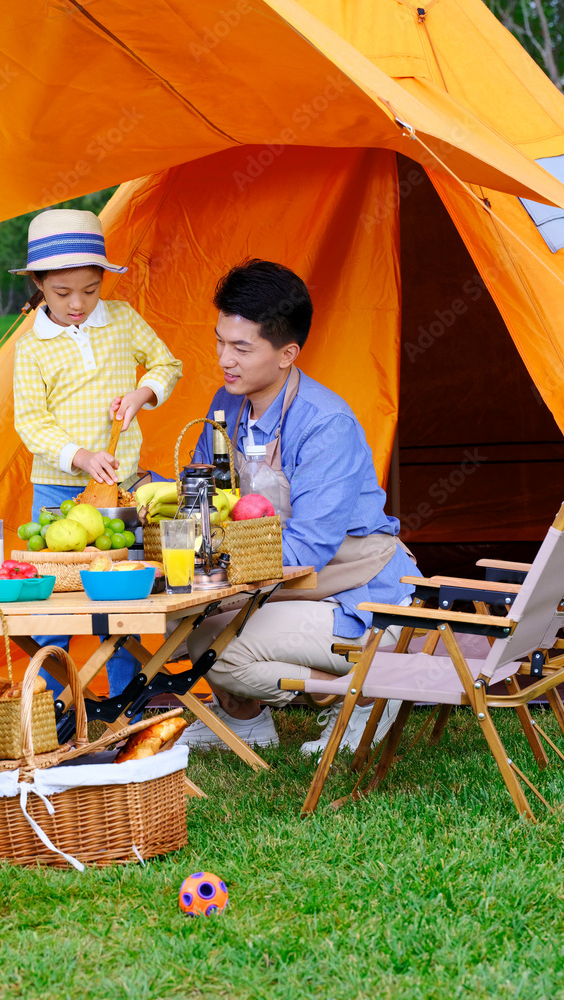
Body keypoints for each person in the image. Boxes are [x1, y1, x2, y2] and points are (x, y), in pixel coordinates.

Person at [177, 259, 420, 756]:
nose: (225, 358)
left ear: (287, 353)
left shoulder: (326, 422)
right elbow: (198, 498)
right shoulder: (225, 408)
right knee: (168, 626)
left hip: (353, 590)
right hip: (275, 580)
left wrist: (220, 581)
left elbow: (309, 545)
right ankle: (245, 720)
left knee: (210, 649)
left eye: (241, 348)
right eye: (221, 340)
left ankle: (365, 691)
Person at [10, 209, 183, 698]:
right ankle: (49, 705)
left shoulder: (123, 320)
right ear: (39, 284)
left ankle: (125, 703)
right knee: (55, 607)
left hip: (121, 491)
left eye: (90, 289)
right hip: (58, 493)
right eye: (63, 293)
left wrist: (142, 394)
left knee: (120, 601)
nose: (79, 303)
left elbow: (167, 363)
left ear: (103, 279)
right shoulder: (31, 349)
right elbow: (31, 422)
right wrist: (80, 455)